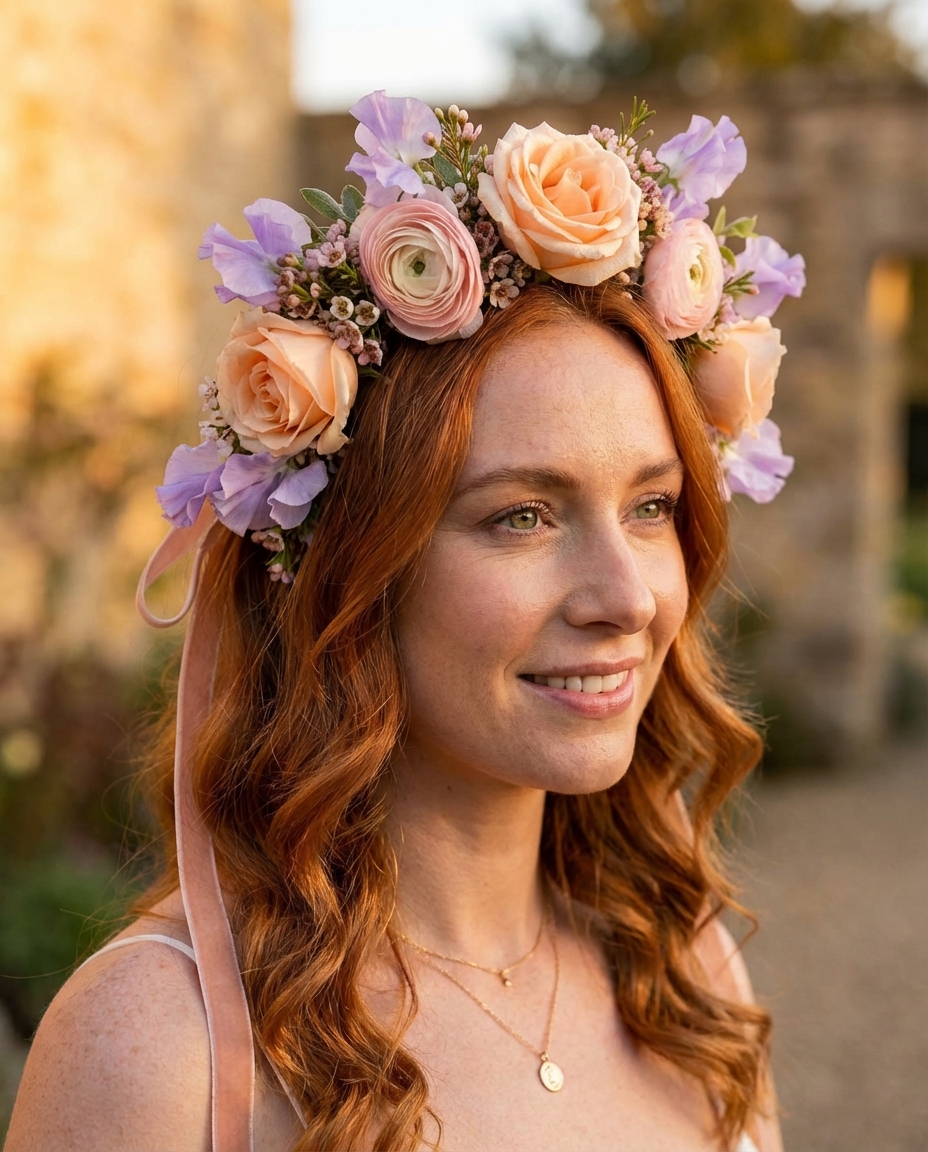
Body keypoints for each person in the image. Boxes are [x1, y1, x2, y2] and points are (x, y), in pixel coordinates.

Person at [6, 92, 803, 1152]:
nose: (627, 597)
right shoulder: (159, 1051)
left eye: (651, 506)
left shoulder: (685, 976)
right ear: (357, 567)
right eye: (522, 516)